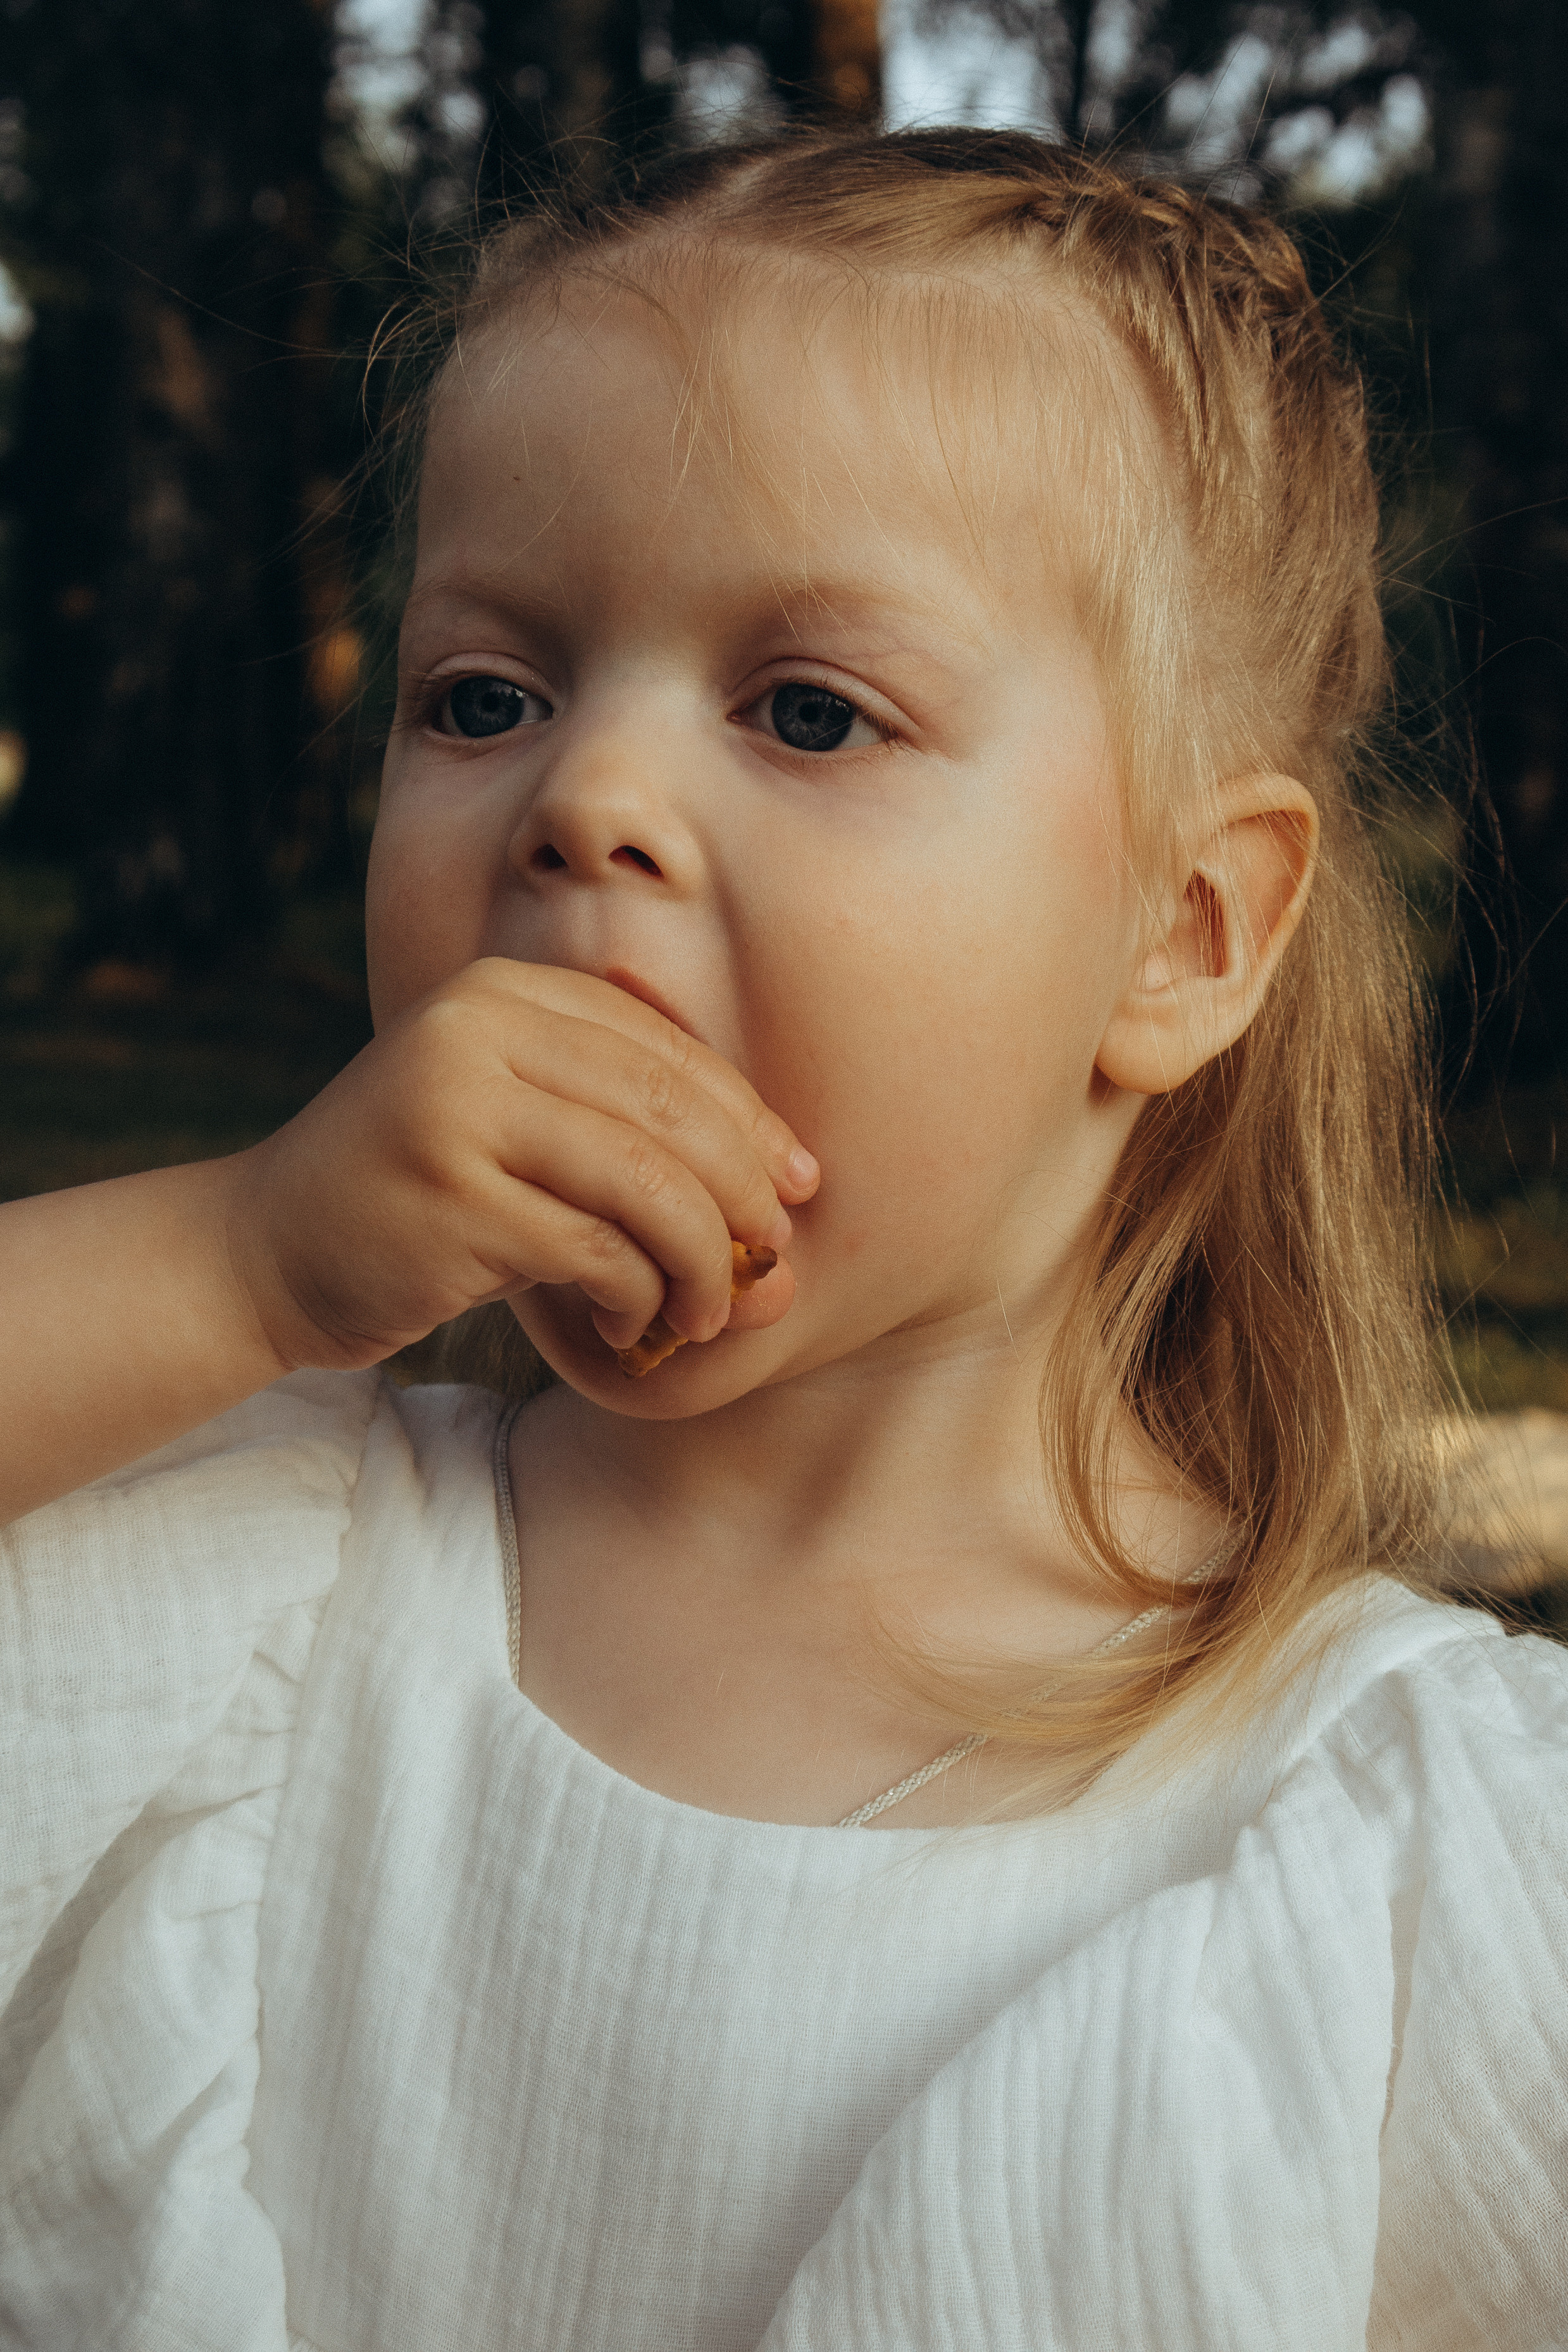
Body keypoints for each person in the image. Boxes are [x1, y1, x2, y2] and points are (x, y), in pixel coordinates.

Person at [2, 127, 1564, 2351]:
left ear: (1188, 938)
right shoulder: (272, 1580)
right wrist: (235, 1265)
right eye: (484, 696)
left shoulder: (1407, 1851)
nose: (583, 803)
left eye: (809, 708)